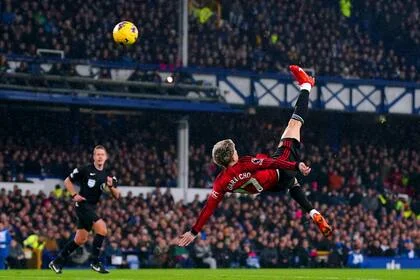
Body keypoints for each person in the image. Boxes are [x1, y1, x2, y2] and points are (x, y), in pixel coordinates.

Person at [177, 65, 333, 247]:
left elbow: (208, 209)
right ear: (231, 156)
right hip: (280, 168)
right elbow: (271, 161)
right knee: (294, 124)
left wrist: (194, 231)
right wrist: (296, 165)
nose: (237, 150)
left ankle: (313, 212)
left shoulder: (221, 182)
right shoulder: (244, 164)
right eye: (234, 149)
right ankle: (306, 85)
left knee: (292, 184)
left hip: (273, 187)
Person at [49, 145, 120, 274]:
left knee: (80, 239)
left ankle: (57, 262)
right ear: (93, 157)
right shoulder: (85, 169)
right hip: (82, 205)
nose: (99, 157)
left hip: (91, 207)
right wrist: (74, 195)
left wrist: (111, 187)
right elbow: (67, 181)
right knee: (102, 229)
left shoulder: (107, 174)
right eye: (97, 154)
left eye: (102, 155)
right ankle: (95, 262)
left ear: (106, 157)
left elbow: (117, 196)